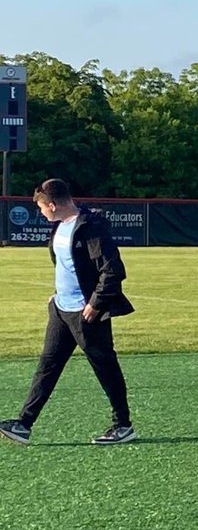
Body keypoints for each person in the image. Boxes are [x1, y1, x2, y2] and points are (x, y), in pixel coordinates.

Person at [0, 179, 136, 446]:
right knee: (47, 367)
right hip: (61, 310)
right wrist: (58, 294)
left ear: (52, 205)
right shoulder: (60, 226)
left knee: (105, 367)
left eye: (42, 208)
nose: (41, 214)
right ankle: (24, 424)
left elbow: (113, 270)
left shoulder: (91, 226)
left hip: (86, 313)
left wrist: (95, 304)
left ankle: (123, 426)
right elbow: (66, 265)